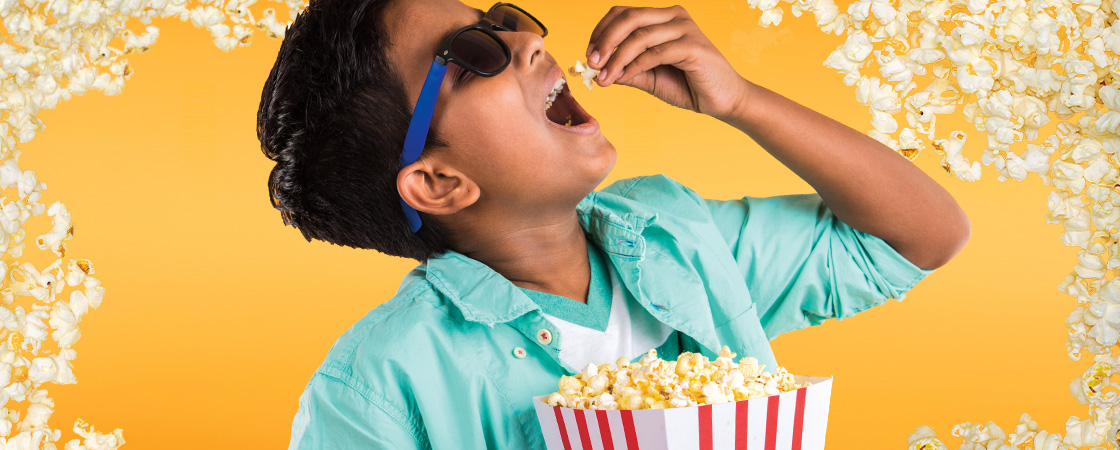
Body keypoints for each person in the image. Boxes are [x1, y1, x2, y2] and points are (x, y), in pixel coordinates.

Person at [257, 0, 971, 448]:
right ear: (439, 181)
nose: (528, 42)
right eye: (473, 56)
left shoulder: (674, 238)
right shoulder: (381, 387)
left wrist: (742, 102)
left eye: (498, 20)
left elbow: (920, 237)